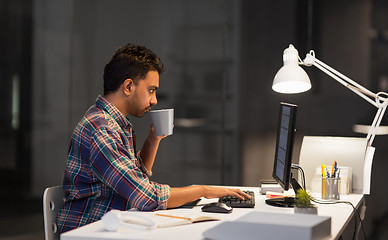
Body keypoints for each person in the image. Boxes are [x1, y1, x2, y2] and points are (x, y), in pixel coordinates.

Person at [57, 43, 250, 233]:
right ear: (128, 86)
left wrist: (153, 139)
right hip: (89, 232)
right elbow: (145, 197)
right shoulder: (103, 129)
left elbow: (133, 177)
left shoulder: (114, 123)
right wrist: (203, 190)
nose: (154, 100)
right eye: (151, 90)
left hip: (110, 225)